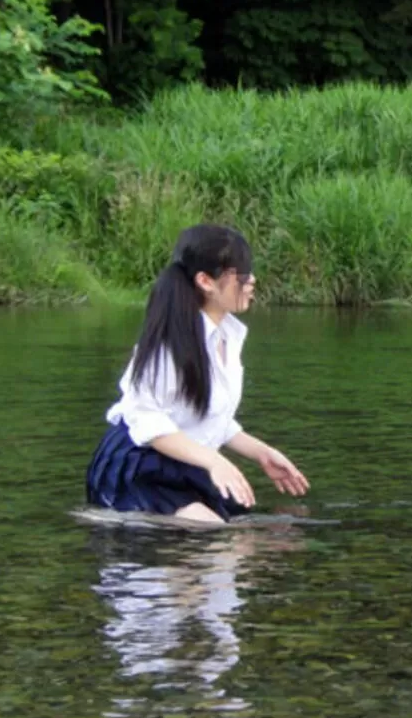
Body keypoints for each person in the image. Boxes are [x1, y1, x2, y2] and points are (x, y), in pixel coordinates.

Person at [86, 224, 309, 524]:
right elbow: (148, 423)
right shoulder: (169, 346)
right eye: (242, 274)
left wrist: (262, 452)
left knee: (255, 529)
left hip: (181, 462)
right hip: (138, 465)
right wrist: (214, 461)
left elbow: (207, 418)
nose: (252, 280)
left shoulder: (227, 336)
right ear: (205, 281)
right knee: (215, 533)